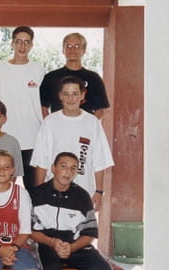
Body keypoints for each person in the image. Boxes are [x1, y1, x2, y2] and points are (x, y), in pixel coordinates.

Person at [30, 152, 113, 270]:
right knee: (50, 268)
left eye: (73, 168)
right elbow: (30, 230)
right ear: (53, 168)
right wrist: (51, 242)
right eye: (63, 166)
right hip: (46, 242)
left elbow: (89, 233)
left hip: (74, 244)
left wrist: (72, 247)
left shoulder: (82, 196)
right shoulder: (37, 194)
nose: (68, 172)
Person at [31, 76, 114, 210]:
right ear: (60, 96)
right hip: (52, 191)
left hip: (84, 191)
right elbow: (41, 161)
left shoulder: (92, 123)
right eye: (66, 94)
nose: (70, 99)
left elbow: (100, 161)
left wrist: (99, 192)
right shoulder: (50, 122)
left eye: (75, 94)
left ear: (82, 96)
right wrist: (39, 193)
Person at [0, 26, 46, 190]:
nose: (22, 46)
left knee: (34, 189)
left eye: (26, 42)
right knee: (4, 186)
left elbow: (44, 106)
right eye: (18, 41)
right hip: (6, 137)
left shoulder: (38, 71)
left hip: (33, 139)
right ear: (12, 44)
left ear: (31, 45)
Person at [39, 32, 109, 118]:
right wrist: (50, 124)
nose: (72, 50)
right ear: (63, 50)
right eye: (68, 46)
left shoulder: (94, 78)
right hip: (58, 125)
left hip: (85, 125)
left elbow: (100, 109)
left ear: (84, 50)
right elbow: (43, 107)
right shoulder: (50, 77)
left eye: (77, 46)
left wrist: (90, 125)